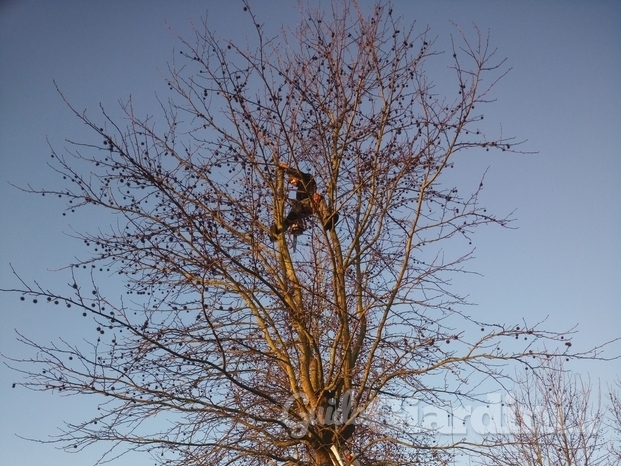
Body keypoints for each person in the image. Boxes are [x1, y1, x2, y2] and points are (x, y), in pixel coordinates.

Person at [270, 162, 338, 240]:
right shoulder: (298, 191)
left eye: (291, 180)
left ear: (296, 177)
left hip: (310, 202)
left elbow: (299, 174)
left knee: (320, 198)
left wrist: (288, 169)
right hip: (302, 208)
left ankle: (327, 219)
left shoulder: (307, 178)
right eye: (290, 182)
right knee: (292, 215)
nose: (291, 183)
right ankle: (278, 231)